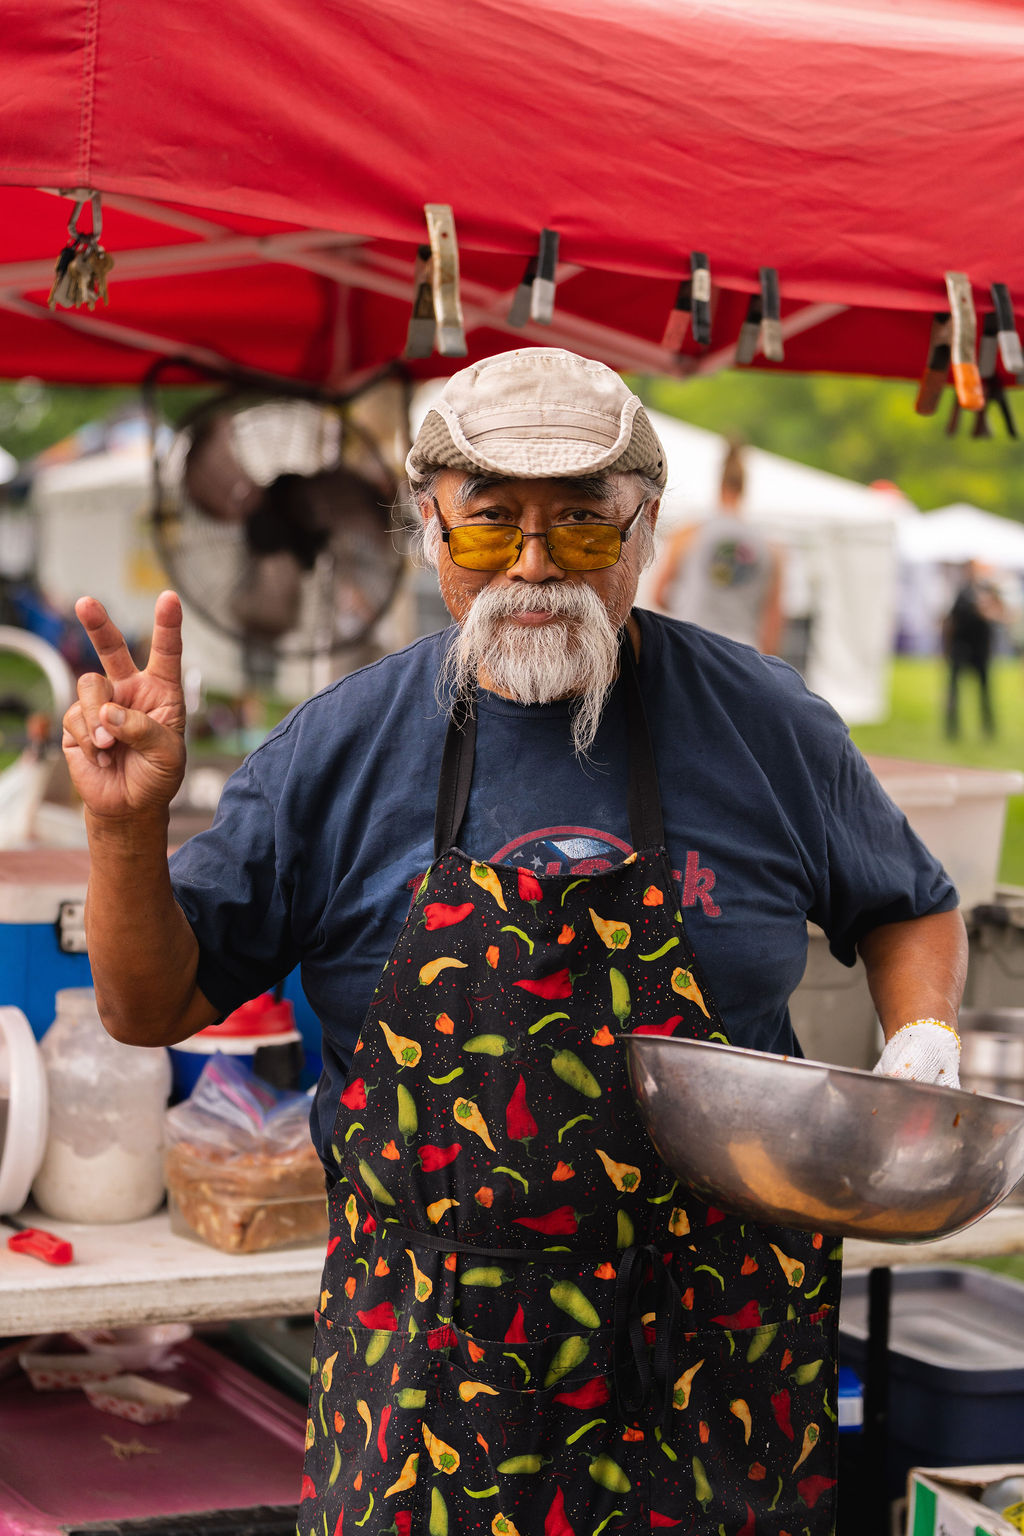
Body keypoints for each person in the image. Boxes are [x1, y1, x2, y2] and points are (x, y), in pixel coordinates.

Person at [62, 348, 966, 1535]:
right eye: (491, 527)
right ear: (428, 531)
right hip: (430, 1373)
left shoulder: (764, 725)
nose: (534, 569)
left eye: (583, 530)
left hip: (710, 1367)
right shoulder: (336, 750)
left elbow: (905, 901)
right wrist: (125, 830)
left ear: (646, 532)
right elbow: (145, 1007)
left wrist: (922, 1043)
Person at [651, 435, 785, 654]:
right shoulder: (770, 548)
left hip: (693, 647)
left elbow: (659, 594)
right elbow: (774, 617)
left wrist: (688, 610)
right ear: (744, 487)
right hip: (744, 654)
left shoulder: (688, 534)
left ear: (719, 484)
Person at [943, 559, 1006, 739]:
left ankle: (988, 728)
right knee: (954, 691)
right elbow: (952, 621)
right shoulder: (962, 593)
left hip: (981, 650)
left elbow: (1001, 613)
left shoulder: (990, 590)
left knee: (985, 692)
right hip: (961, 647)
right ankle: (952, 729)